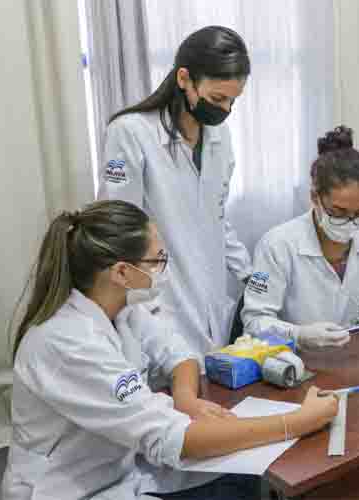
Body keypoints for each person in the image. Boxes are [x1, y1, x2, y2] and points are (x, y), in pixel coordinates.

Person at [1, 200, 337, 500]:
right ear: (122, 272)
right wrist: (297, 422)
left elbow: (180, 355)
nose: (164, 270)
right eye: (157, 260)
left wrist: (185, 399)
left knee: (239, 479)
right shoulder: (68, 342)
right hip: (68, 488)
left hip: (119, 469)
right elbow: (173, 437)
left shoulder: (122, 310)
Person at [99, 26, 252, 360]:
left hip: (209, 302)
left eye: (233, 101)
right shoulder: (131, 132)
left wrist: (249, 274)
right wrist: (143, 301)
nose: (225, 110)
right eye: (217, 99)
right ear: (184, 78)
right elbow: (116, 232)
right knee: (172, 380)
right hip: (158, 304)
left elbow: (216, 217)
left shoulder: (220, 138)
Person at [241, 126, 359, 351]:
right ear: (315, 197)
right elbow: (254, 322)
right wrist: (299, 335)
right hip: (300, 362)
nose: (350, 222)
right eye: (338, 212)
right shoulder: (276, 246)